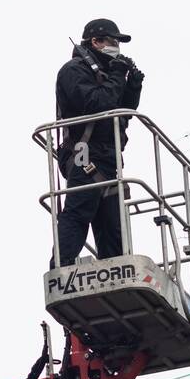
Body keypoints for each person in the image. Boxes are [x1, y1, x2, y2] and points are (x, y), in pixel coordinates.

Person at [53, 17, 144, 266]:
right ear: (95, 41)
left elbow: (121, 113)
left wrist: (132, 85)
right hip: (84, 155)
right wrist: (117, 74)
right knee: (78, 213)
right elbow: (98, 104)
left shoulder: (104, 74)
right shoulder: (73, 70)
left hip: (108, 159)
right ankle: (61, 267)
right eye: (113, 41)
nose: (117, 47)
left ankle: (116, 271)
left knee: (113, 227)